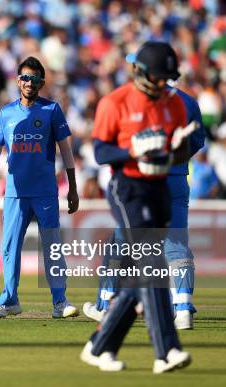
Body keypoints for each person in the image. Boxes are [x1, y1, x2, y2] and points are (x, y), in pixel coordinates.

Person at [80, 41, 192, 373]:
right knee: (152, 263)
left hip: (160, 187)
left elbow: (179, 153)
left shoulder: (174, 105)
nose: (164, 85)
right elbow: (101, 153)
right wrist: (134, 153)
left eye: (167, 78)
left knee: (139, 276)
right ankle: (166, 350)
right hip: (127, 187)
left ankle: (99, 346)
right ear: (141, 73)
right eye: (159, 78)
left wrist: (178, 149)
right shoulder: (115, 102)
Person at [82, 84, 205, 330]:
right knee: (176, 242)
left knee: (122, 243)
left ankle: (105, 305)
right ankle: (182, 309)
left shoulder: (132, 99)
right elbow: (197, 141)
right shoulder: (187, 101)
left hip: (142, 181)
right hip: (177, 178)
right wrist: (173, 160)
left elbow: (111, 146)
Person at [0, 56, 80, 318]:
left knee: (52, 246)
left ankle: (60, 302)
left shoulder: (51, 110)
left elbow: (66, 150)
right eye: (25, 78)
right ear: (18, 81)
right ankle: (9, 299)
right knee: (9, 248)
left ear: (42, 82)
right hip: (15, 193)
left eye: (35, 79)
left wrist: (73, 188)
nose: (29, 83)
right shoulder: (6, 113)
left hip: (45, 191)